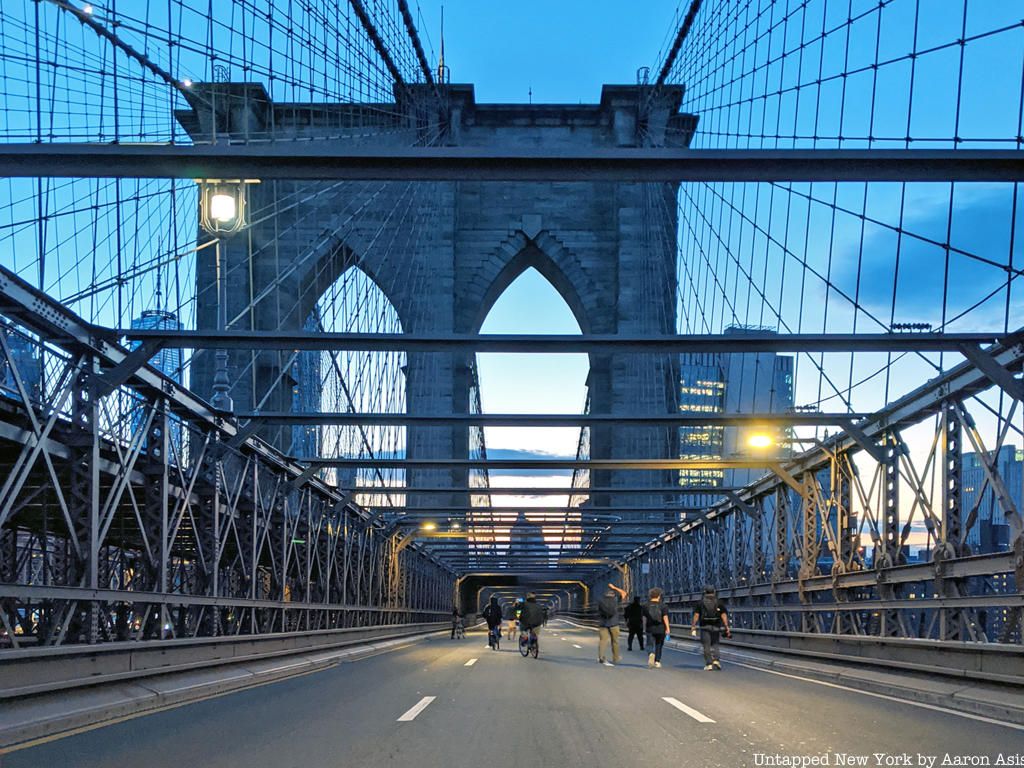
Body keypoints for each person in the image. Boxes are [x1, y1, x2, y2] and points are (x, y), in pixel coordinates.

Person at [690, 585, 730, 670]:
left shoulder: (700, 603)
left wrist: (693, 626)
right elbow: (723, 615)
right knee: (715, 644)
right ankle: (716, 660)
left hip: (704, 626)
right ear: (714, 592)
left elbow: (696, 615)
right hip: (716, 626)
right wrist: (726, 626)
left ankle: (709, 664)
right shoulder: (719, 602)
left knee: (706, 645)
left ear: (705, 592)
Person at [596, 583, 626, 667]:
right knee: (615, 641)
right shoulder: (616, 599)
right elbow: (624, 593)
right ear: (613, 594)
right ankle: (615, 658)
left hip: (603, 623)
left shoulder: (600, 600)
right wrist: (614, 587)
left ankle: (601, 657)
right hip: (614, 623)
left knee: (603, 641)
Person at [643, 587, 670, 669]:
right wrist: (667, 628)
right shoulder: (663, 606)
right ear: (659, 595)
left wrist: (644, 627)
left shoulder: (645, 605)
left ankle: (651, 653)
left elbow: (644, 618)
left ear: (650, 595)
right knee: (659, 644)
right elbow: (665, 617)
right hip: (661, 628)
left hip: (650, 627)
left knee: (649, 643)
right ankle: (657, 661)